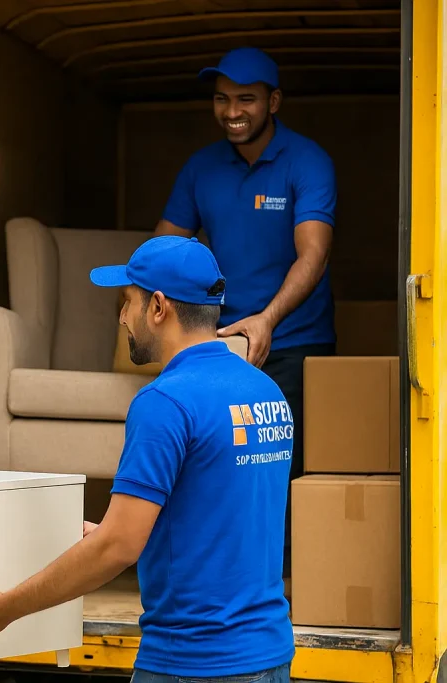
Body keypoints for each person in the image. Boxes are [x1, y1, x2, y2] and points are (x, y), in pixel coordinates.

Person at [0, 236, 295, 682]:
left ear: (158, 308)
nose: (122, 316)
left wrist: (3, 610)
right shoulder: (266, 392)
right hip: (270, 655)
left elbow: (117, 548)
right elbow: (221, 510)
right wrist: (126, 528)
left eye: (127, 301)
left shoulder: (165, 401)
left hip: (194, 664)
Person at [155, 47, 337, 574]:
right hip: (217, 345)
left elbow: (314, 254)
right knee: (214, 463)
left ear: (273, 101)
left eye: (246, 99)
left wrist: (268, 319)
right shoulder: (201, 168)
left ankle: (274, 593)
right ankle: (214, 577)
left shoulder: (307, 162)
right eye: (221, 98)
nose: (232, 110)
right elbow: (163, 249)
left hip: (296, 341)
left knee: (279, 472)